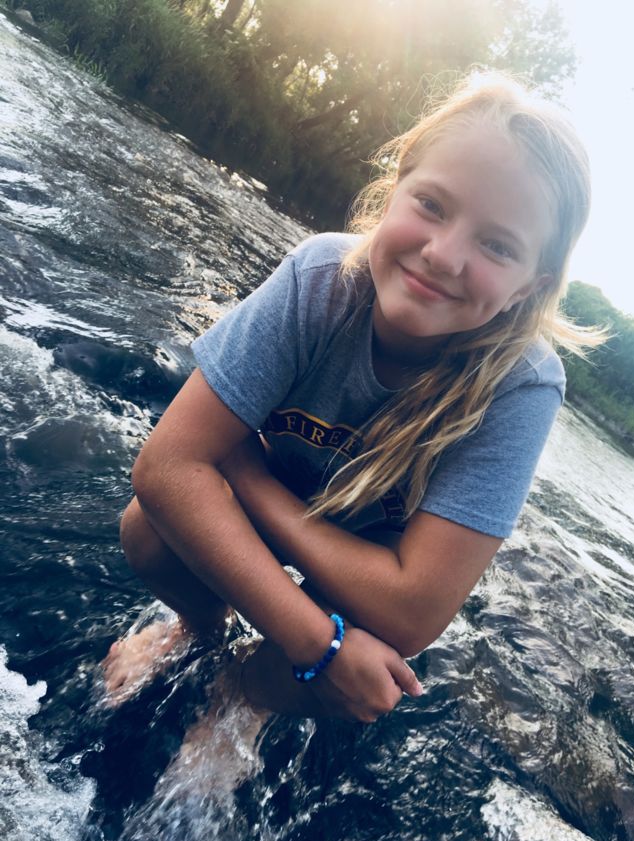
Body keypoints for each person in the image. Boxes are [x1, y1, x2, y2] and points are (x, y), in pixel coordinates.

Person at [103, 70, 601, 724]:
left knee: (374, 666)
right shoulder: (321, 281)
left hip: (359, 572)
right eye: (432, 205)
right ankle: (199, 629)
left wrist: (247, 477)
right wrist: (321, 645)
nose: (443, 255)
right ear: (394, 192)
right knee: (148, 531)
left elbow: (411, 613)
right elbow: (164, 469)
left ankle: (243, 693)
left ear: (528, 288)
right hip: (319, 550)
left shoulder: (523, 384)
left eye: (497, 245)